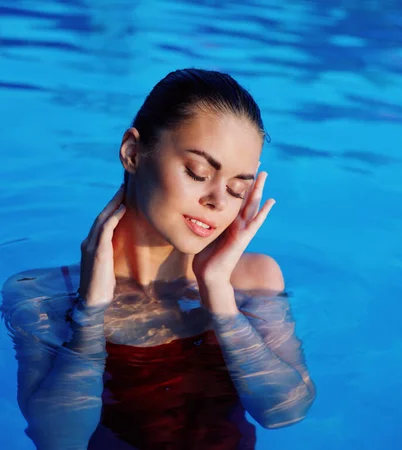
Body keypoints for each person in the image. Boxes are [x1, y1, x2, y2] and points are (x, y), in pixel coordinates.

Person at [1, 68, 316, 450]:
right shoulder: (42, 297)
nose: (217, 200)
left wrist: (219, 298)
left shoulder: (252, 280)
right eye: (198, 173)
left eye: (237, 189)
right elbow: (59, 438)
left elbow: (285, 412)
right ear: (133, 153)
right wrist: (89, 316)